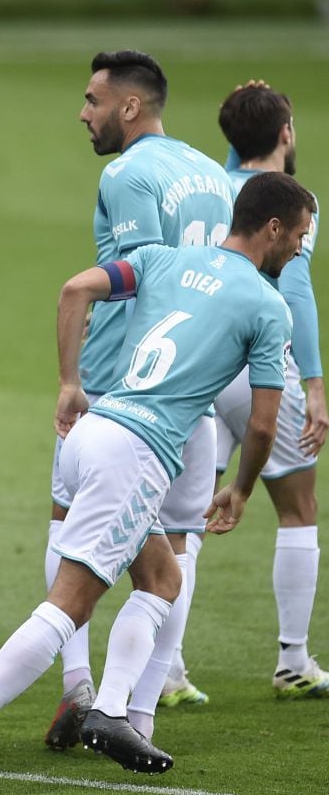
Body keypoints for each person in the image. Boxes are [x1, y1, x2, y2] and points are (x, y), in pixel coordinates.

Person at [0, 170, 312, 783]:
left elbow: (76, 287)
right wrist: (241, 489)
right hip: (135, 454)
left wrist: (68, 381)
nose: (299, 248)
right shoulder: (269, 307)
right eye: (298, 235)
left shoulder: (162, 258)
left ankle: (111, 712)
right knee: (70, 605)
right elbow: (265, 426)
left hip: (94, 429)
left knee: (161, 579)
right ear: (273, 228)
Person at [43, 50, 234, 750]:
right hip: (198, 391)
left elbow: (143, 281)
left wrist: (81, 383)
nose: (83, 112)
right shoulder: (211, 173)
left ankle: (78, 689)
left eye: (93, 100)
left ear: (130, 106)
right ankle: (140, 711)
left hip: (127, 386)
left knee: (69, 522)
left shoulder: (126, 172)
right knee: (176, 551)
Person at [209, 83, 328, 699]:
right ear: (286, 134)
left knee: (186, 516)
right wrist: (314, 384)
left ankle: (167, 671)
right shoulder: (294, 203)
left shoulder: (212, 186)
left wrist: (241, 119)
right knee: (297, 509)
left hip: (203, 365)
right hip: (261, 365)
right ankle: (293, 659)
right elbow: (297, 294)